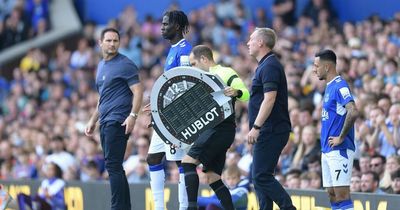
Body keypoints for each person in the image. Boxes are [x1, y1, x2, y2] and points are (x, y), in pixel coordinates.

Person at [182, 45, 249, 210]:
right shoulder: (198, 79)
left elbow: (245, 93)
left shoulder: (226, 72)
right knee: (212, 177)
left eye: (193, 63)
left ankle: (191, 207)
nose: (192, 68)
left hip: (220, 128)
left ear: (204, 59)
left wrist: (235, 92)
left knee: (188, 163)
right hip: (215, 130)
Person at [85, 28, 143, 210]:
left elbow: (138, 91)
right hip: (105, 120)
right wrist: (93, 120)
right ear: (100, 43)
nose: (112, 44)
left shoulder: (125, 64)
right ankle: (124, 206)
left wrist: (133, 115)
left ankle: (118, 207)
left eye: (115, 40)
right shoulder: (101, 65)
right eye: (108, 40)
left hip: (117, 120)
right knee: (115, 166)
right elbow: (102, 98)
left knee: (113, 165)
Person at [144, 10, 192, 210]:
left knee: (181, 163)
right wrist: (157, 105)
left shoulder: (185, 50)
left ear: (177, 27)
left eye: (165, 24)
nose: (161, 27)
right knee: (153, 157)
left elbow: (187, 84)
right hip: (164, 114)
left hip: (177, 116)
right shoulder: (172, 49)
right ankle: (159, 207)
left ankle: (183, 207)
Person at [246, 27, 296, 210]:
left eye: (251, 39)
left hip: (272, 129)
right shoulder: (265, 65)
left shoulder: (270, 66)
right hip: (267, 129)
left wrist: (256, 127)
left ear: (261, 43)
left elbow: (269, 98)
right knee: (260, 177)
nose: (247, 43)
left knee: (260, 176)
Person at [313, 49, 359, 210]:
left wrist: (340, 137)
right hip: (327, 149)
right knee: (332, 193)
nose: (314, 69)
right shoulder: (329, 86)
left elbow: (353, 111)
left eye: (316, 65)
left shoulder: (340, 85)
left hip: (340, 149)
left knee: (342, 195)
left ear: (326, 67)